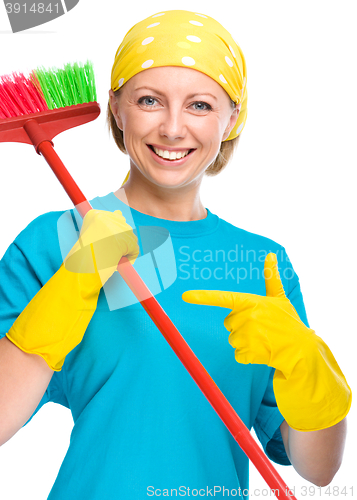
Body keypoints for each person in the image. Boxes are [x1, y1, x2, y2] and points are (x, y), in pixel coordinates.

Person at [0, 9, 351, 499]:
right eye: (149, 100)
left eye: (200, 105)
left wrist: (315, 375)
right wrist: (71, 285)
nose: (171, 128)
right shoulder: (56, 240)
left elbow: (317, 471)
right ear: (117, 109)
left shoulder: (262, 263)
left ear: (233, 118)